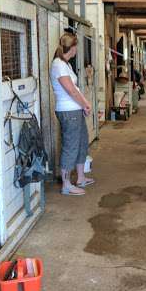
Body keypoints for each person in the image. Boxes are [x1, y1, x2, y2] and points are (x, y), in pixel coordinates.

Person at [50, 33, 94, 196]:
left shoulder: (65, 64)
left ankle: (81, 177)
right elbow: (70, 91)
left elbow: (75, 90)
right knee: (70, 146)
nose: (77, 50)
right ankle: (66, 184)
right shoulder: (58, 65)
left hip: (75, 109)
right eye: (77, 46)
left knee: (82, 141)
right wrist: (85, 103)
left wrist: (83, 104)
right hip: (68, 111)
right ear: (73, 47)